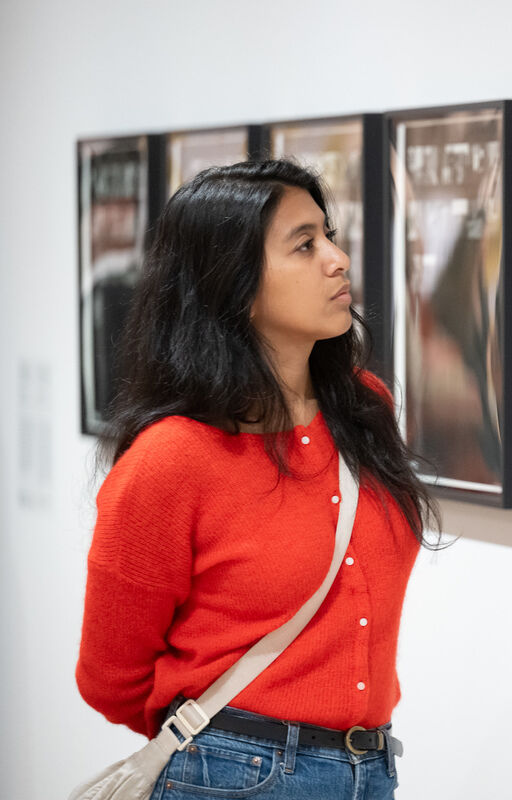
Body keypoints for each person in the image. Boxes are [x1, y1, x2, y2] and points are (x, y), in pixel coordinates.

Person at [75, 159, 440, 799]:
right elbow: (110, 677)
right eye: (305, 245)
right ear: (233, 282)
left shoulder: (364, 407)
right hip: (233, 772)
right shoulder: (173, 457)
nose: (338, 259)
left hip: (371, 767)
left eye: (329, 234)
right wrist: (225, 742)